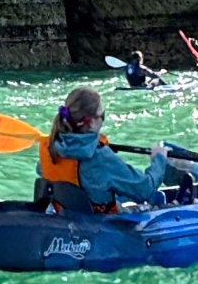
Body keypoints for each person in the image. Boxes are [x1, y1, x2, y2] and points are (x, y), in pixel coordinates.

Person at [37, 87, 177, 212]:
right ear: (91, 122)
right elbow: (145, 189)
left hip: (68, 216)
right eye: (102, 116)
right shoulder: (100, 157)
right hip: (103, 224)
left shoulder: (48, 147)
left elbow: (42, 170)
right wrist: (159, 160)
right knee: (163, 207)